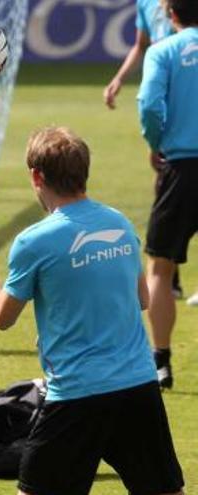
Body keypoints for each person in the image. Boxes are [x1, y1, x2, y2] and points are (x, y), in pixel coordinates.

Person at [0, 127, 183, 495]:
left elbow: (1, 316)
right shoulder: (118, 223)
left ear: (37, 176)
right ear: (84, 170)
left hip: (77, 393)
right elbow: (141, 299)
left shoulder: (34, 241)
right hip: (138, 384)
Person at [103, 0, 184, 300]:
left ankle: (167, 274)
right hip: (161, 96)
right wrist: (119, 78)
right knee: (166, 182)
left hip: (184, 90)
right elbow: (141, 44)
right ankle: (170, 276)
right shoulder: (146, 3)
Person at [137, 0, 198, 389]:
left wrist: (156, 142)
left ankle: (161, 362)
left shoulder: (163, 50)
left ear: (170, 14)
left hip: (180, 168)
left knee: (160, 266)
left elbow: (148, 105)